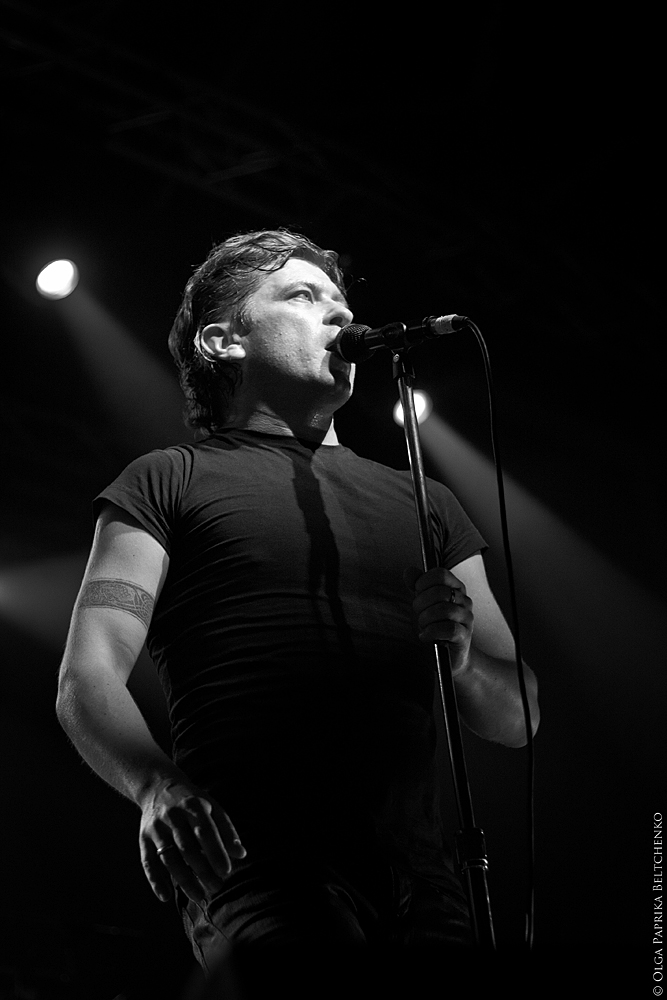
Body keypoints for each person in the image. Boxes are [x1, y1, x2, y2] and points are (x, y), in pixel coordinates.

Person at [56, 229, 539, 997]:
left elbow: (517, 717)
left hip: (425, 877)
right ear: (222, 340)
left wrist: (461, 661)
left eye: (341, 302)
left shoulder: (426, 500)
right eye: (303, 296)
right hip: (257, 860)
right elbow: (88, 673)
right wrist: (155, 786)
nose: (339, 316)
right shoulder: (165, 481)